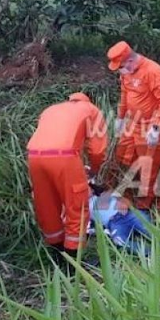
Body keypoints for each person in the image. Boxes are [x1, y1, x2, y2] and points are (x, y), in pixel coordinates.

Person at [26, 92, 108, 266]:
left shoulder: (51, 110)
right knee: (76, 205)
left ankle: (57, 255)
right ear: (87, 101)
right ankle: (73, 264)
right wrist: (93, 170)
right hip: (65, 157)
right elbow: (97, 149)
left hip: (34, 156)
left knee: (46, 205)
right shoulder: (91, 110)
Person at [106, 41, 160, 211]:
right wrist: (120, 118)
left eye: (121, 66)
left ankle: (144, 206)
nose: (120, 71)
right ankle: (123, 190)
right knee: (122, 155)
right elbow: (124, 94)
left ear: (129, 61)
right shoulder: (126, 72)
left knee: (148, 166)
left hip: (150, 127)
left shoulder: (153, 71)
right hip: (132, 123)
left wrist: (156, 128)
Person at [88, 185, 152, 257]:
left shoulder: (105, 193)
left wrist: (125, 204)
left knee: (147, 227)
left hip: (128, 215)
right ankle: (149, 252)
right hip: (114, 223)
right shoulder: (82, 208)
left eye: (86, 188)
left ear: (92, 189)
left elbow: (127, 201)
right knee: (119, 241)